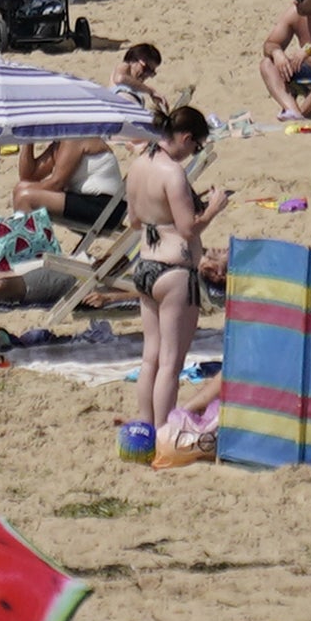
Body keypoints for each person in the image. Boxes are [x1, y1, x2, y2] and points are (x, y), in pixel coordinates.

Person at [122, 106, 218, 465]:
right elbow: (189, 228)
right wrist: (214, 208)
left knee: (150, 358)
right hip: (174, 271)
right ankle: (163, 434)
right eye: (195, 148)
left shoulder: (138, 165)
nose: (191, 155)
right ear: (186, 138)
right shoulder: (172, 172)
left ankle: (145, 430)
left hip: (145, 264)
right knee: (170, 363)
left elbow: (133, 221)